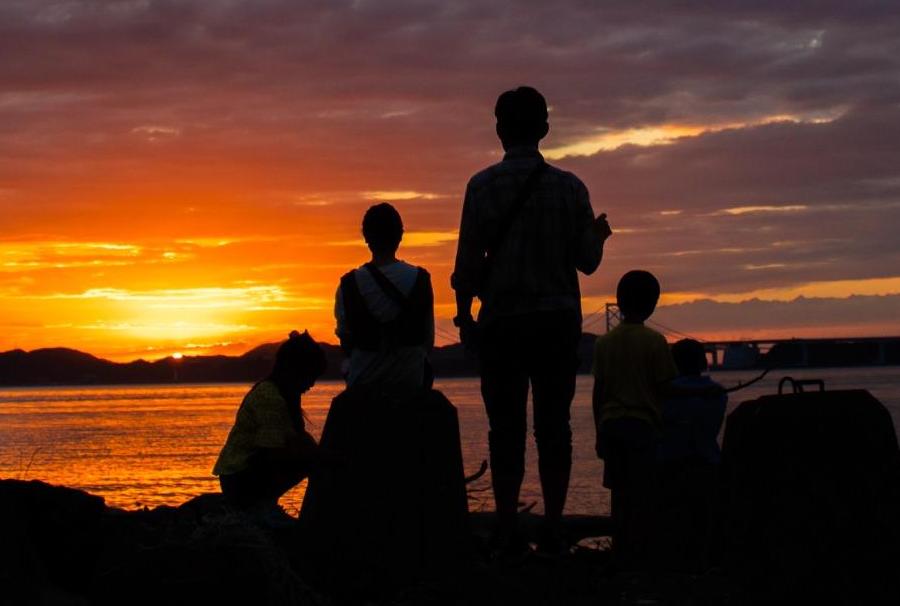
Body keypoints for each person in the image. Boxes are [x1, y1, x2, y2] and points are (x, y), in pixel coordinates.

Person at [451, 85, 611, 554]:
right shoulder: (571, 187)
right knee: (554, 427)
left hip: (501, 324)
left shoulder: (480, 187)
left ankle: (505, 528)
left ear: (500, 130)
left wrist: (466, 321)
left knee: (506, 430)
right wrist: (599, 233)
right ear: (544, 128)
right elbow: (587, 262)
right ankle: (555, 527)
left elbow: (466, 266)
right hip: (557, 324)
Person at [591, 269, 676, 567]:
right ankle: (642, 555)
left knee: (619, 492)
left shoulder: (603, 344)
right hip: (643, 426)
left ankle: (620, 552)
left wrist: (599, 433)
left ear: (618, 301)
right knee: (643, 492)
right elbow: (665, 388)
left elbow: (598, 394)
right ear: (653, 304)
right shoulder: (656, 342)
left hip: (611, 425)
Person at [212, 331, 326, 524]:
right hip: (239, 478)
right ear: (293, 371)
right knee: (309, 455)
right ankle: (259, 507)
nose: (312, 384)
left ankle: (265, 504)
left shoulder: (285, 395)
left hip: (250, 473)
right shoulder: (269, 396)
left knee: (308, 448)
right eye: (309, 376)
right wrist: (319, 456)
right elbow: (271, 453)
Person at [333, 202, 434, 388]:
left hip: (363, 385)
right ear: (400, 235)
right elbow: (427, 342)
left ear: (366, 237)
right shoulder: (421, 279)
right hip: (411, 385)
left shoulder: (348, 284)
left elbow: (346, 345)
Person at [660, 338, 728, 466]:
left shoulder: (661, 393)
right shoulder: (719, 392)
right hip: (709, 460)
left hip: (669, 463)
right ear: (705, 362)